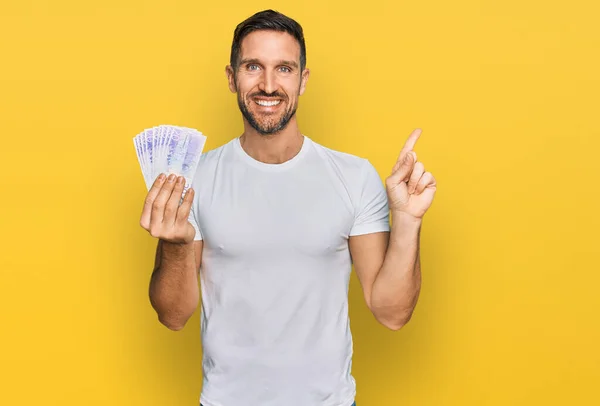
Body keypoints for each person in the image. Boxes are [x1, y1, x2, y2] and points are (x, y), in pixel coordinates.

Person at [139, 9, 437, 406]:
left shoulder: (352, 176)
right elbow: (173, 316)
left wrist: (407, 220)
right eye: (252, 66)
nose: (268, 84)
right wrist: (175, 245)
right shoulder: (195, 179)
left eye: (283, 68)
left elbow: (392, 313)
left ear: (303, 79)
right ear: (231, 78)